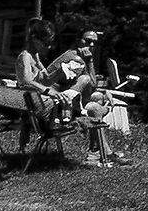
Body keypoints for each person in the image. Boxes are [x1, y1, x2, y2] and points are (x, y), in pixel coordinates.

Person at [44, 27, 130, 166]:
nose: (91, 45)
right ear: (78, 40)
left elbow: (89, 88)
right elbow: (91, 81)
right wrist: (90, 61)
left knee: (98, 100)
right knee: (95, 107)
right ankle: (102, 153)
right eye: (88, 41)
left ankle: (96, 153)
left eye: (94, 43)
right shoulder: (75, 59)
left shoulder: (74, 55)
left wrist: (103, 92)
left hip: (64, 101)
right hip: (57, 109)